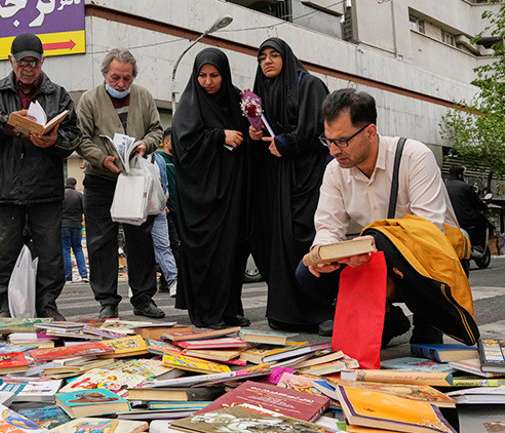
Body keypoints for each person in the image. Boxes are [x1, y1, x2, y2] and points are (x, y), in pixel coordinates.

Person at [299, 88, 467, 346]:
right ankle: (389, 319)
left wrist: (377, 250)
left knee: (424, 347)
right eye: (328, 140)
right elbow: (328, 226)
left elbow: (429, 232)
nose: (333, 150)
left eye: (342, 141)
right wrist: (323, 253)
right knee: (308, 273)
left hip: (422, 260)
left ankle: (428, 319)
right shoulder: (335, 170)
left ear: (370, 132)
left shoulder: (415, 157)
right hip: (371, 259)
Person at [0, 33, 80, 325]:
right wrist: (4, 122)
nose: (28, 68)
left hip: (46, 189)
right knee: (6, 253)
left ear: (42, 62)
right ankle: (5, 308)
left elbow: (74, 135)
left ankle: (48, 306)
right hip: (6, 189)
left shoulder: (58, 94)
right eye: (22, 62)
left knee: (50, 253)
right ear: (11, 61)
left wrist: (54, 140)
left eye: (34, 62)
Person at [247, 38, 331, 335]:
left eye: (273, 55)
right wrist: (256, 136)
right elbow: (266, 134)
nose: (267, 61)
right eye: (262, 58)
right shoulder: (262, 92)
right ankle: (286, 312)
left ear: (286, 57)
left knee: (303, 237)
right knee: (276, 241)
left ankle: (321, 310)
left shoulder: (309, 85)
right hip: (275, 179)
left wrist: (285, 142)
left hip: (306, 178)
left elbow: (316, 129)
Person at [76, 48, 165, 320]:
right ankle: (107, 301)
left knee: (140, 239)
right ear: (105, 74)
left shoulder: (144, 96)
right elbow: (81, 138)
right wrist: (103, 159)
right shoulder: (89, 99)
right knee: (101, 241)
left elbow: (156, 130)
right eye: (115, 77)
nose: (121, 84)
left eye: (127, 78)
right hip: (101, 178)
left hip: (135, 179)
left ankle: (143, 298)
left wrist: (145, 144)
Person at [171, 48, 251, 329]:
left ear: (224, 74)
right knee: (209, 253)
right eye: (202, 75)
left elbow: (248, 137)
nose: (208, 81)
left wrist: (250, 129)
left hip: (233, 192)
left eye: (214, 75)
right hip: (202, 198)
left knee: (233, 251)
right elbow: (184, 145)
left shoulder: (236, 99)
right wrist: (219, 135)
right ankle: (207, 313)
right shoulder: (190, 104)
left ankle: (230, 308)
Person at [445, 165, 489, 255]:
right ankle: (477, 246)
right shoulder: (466, 187)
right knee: (482, 223)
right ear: (460, 175)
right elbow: (476, 202)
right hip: (465, 218)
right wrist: (484, 206)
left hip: (447, 219)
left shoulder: (442, 186)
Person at [152, 151, 178, 297]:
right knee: (138, 249)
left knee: (164, 246)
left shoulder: (159, 160)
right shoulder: (132, 157)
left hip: (158, 209)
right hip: (137, 209)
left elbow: (165, 185)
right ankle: (136, 286)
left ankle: (173, 280)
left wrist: (165, 198)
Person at [159, 128, 181, 267]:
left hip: (182, 211)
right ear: (166, 142)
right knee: (172, 245)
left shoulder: (181, 160)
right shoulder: (160, 160)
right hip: (167, 211)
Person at [61, 177, 89, 283]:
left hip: (63, 226)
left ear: (65, 184)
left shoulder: (62, 195)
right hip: (77, 226)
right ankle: (84, 274)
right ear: (75, 185)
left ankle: (68, 276)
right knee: (78, 249)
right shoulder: (79, 195)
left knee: (65, 250)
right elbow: (84, 210)